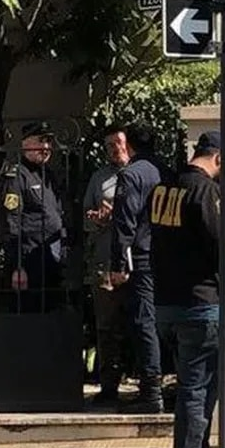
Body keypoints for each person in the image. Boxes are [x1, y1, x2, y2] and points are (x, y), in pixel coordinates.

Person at [151, 131, 225, 448]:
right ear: (217, 158)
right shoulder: (205, 192)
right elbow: (221, 246)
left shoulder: (162, 189)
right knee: (198, 391)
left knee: (190, 387)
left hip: (165, 303)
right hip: (201, 304)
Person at [109, 124, 172, 414]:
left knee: (143, 321)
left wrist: (118, 263)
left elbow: (125, 222)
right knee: (165, 320)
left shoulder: (131, 174)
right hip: (167, 254)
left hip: (143, 256)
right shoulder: (167, 172)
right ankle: (165, 383)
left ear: (129, 145)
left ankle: (151, 391)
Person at [83, 124, 131, 405]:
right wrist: (97, 218)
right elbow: (85, 218)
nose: (115, 149)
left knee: (140, 325)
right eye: (109, 145)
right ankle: (109, 387)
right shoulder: (99, 178)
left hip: (135, 263)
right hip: (105, 261)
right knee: (106, 327)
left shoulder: (142, 173)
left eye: (119, 143)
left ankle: (147, 386)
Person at [0, 121, 67, 313]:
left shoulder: (47, 175)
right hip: (30, 259)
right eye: (41, 141)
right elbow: (11, 221)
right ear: (25, 143)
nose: (46, 147)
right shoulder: (17, 175)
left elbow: (56, 213)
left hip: (50, 255)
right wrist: (18, 265)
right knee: (30, 313)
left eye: (49, 141)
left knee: (51, 312)